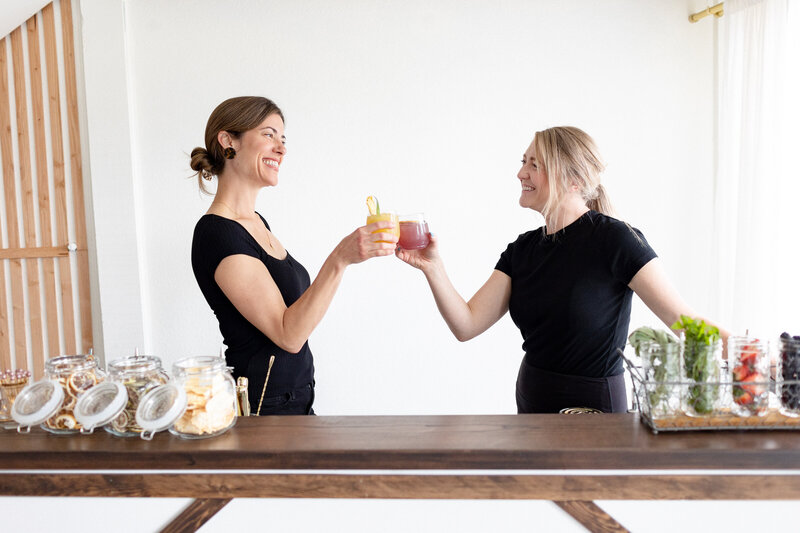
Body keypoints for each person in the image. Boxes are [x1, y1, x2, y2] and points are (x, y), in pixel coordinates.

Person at [396, 126, 728, 413]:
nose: (521, 173)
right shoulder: (522, 250)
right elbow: (466, 325)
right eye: (523, 162)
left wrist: (747, 353)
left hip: (594, 412)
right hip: (533, 403)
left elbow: (684, 321)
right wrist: (433, 268)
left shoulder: (617, 240)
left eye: (534, 164)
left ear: (574, 180)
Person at [190, 96, 397, 415]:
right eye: (269, 134)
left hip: (296, 401)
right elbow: (289, 335)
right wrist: (340, 259)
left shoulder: (256, 223)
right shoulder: (217, 234)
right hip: (264, 411)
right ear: (228, 140)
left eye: (283, 140)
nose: (281, 149)